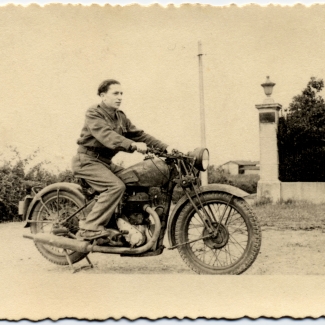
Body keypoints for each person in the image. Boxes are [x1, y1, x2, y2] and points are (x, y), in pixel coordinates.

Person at [71, 79, 171, 240]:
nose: (120, 97)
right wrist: (132, 145)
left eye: (121, 94)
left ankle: (122, 223)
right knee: (115, 187)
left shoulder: (120, 117)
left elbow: (140, 135)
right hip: (87, 161)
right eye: (115, 93)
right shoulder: (94, 113)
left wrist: (165, 147)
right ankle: (89, 228)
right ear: (103, 96)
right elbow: (106, 136)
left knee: (133, 180)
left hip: (105, 163)